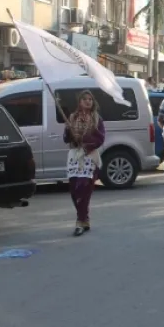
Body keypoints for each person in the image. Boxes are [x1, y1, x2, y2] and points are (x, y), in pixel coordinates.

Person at [63, 90, 106, 237]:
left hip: (89, 155)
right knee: (74, 190)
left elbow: (101, 138)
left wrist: (87, 143)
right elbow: (66, 139)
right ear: (79, 102)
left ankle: (80, 221)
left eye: (90, 99)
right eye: (85, 99)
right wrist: (69, 131)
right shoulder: (72, 117)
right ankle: (84, 218)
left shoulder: (96, 118)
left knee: (83, 187)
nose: (88, 101)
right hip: (74, 155)